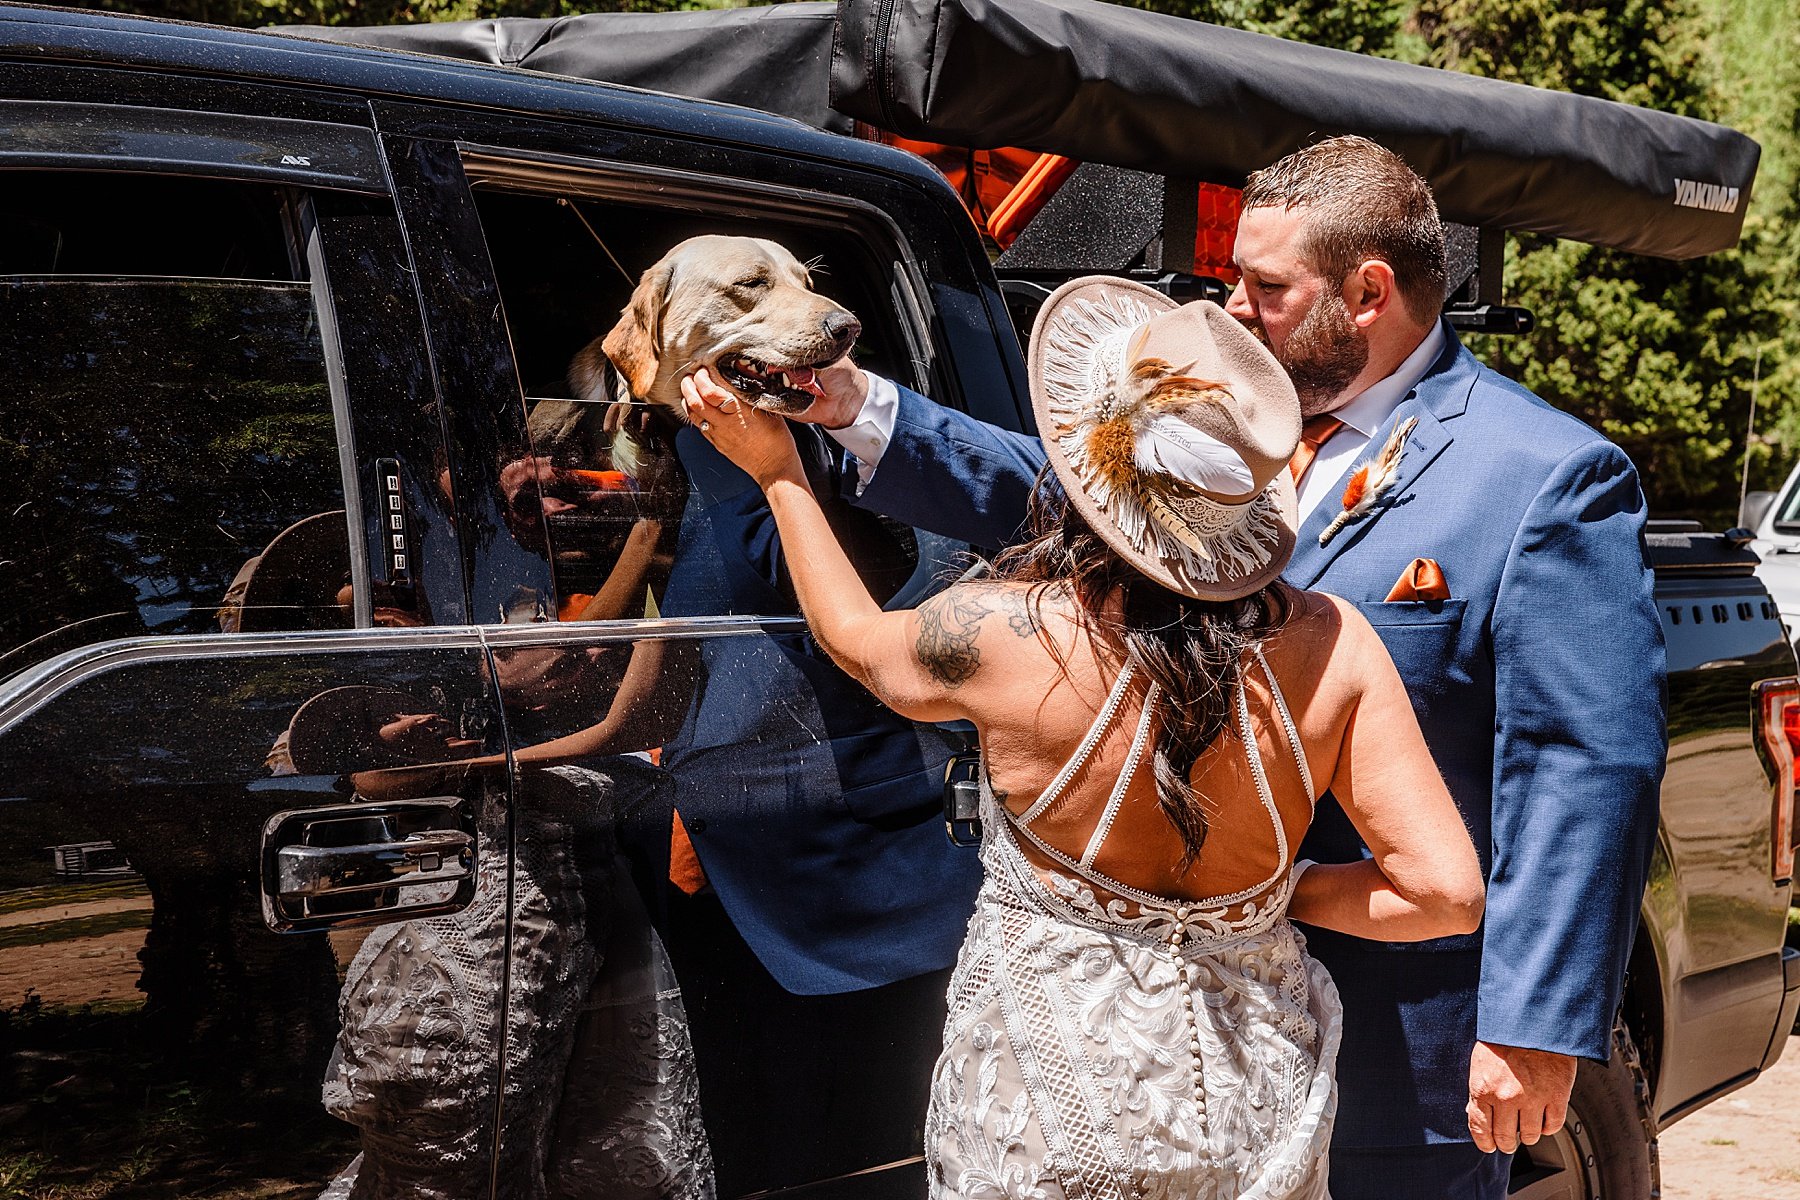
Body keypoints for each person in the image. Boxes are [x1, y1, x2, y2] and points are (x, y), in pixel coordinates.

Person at [755, 136, 1669, 1199]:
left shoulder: (1544, 476)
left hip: (1396, 1043)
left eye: (1267, 285)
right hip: (1157, 1052)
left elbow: (1587, 765)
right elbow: (1078, 489)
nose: (1235, 305)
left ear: (1367, 294)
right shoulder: (1226, 414)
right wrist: (855, 405)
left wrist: (1538, 1027)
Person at [683, 278, 1485, 1198]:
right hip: (1251, 1101)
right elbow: (1446, 896)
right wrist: (1279, 896)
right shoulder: (1335, 645)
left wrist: (780, 473)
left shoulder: (1002, 636)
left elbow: (860, 646)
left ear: (1080, 458)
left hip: (1046, 1096)